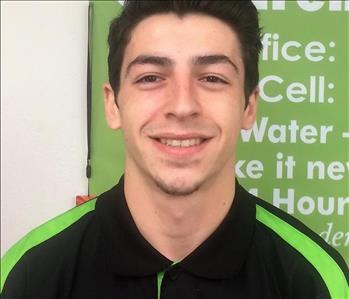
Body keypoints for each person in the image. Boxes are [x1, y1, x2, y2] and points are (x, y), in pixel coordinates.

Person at [1, 1, 348, 298]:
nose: (182, 105)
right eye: (150, 77)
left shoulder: (313, 280)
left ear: (248, 107)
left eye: (212, 78)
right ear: (113, 105)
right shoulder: (31, 275)